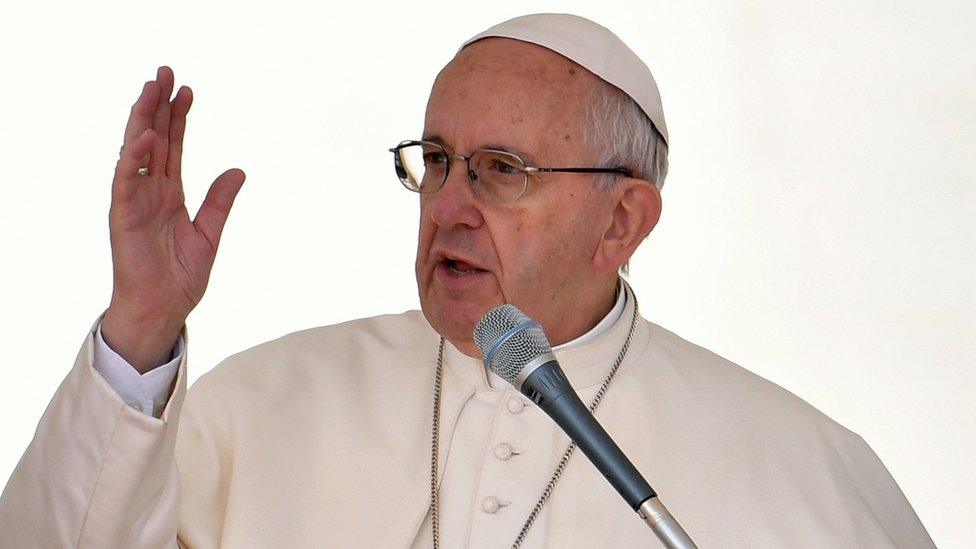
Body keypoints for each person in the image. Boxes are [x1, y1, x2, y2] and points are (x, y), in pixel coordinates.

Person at [0, 13, 933, 548]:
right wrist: (140, 327)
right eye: (438, 159)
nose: (449, 205)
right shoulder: (264, 404)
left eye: (502, 170)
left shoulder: (799, 468)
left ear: (624, 222)